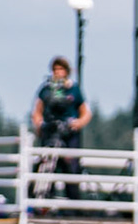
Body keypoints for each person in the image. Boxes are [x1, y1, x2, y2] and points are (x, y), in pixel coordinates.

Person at [30, 57, 92, 193]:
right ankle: (44, 200)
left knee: (71, 168)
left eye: (61, 69)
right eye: (55, 69)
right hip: (50, 132)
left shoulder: (74, 89)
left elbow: (86, 112)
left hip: (69, 134)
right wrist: (40, 125)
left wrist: (78, 123)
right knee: (46, 166)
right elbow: (37, 110)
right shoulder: (46, 89)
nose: (58, 73)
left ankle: (72, 203)